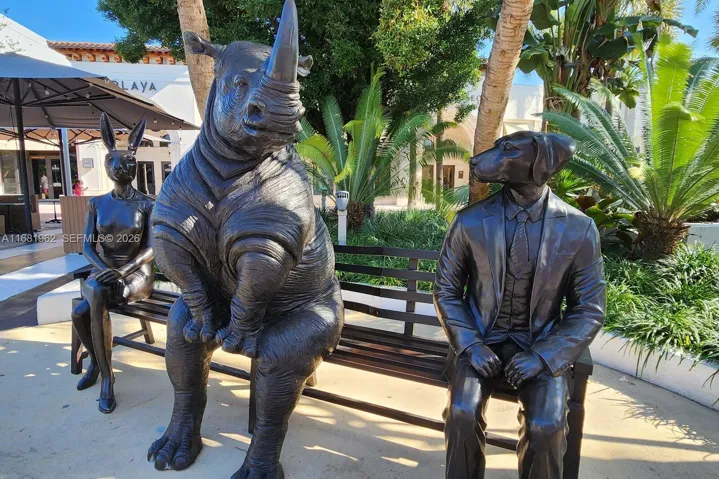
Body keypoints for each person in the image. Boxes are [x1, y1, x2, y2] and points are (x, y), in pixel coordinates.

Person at [434, 131, 606, 479]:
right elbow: (446, 290)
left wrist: (543, 356)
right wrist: (471, 345)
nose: (481, 159)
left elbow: (589, 308)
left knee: (546, 425)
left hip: (540, 344)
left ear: (541, 163)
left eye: (508, 150)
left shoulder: (579, 228)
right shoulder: (469, 221)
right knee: (462, 412)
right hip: (479, 340)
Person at [70, 113, 154, 413]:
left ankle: (105, 378)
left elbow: (151, 248)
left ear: (135, 166)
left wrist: (122, 271)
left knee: (90, 299)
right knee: (80, 311)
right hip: (105, 272)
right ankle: (98, 364)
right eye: (113, 162)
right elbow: (86, 245)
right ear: (107, 166)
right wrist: (105, 269)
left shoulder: (147, 203)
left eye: (128, 162)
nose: (121, 167)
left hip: (136, 273)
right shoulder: (97, 203)